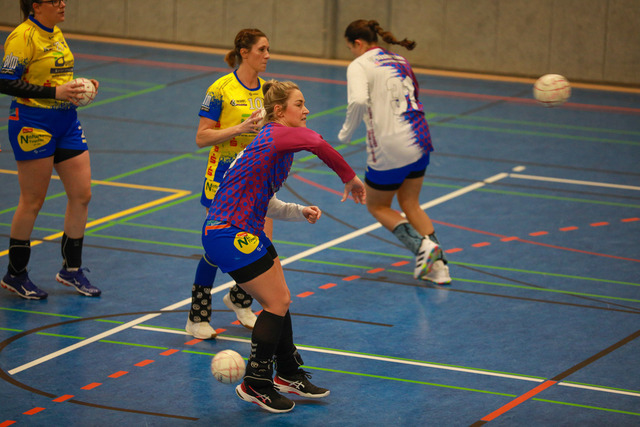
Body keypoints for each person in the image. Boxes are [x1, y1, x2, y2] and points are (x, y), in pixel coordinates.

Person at [201, 80, 365, 413]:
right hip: (227, 233)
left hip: (244, 230)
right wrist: (349, 177)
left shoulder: (272, 146)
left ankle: (288, 373)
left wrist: (298, 211)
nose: (306, 110)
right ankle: (256, 383)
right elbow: (317, 142)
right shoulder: (275, 135)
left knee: (281, 300)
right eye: (299, 104)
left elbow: (264, 200)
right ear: (279, 111)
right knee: (276, 302)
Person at [0, 0, 101, 299]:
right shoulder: (23, 36)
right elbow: (6, 82)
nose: (63, 4)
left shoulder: (55, 32)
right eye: (55, 0)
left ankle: (71, 270)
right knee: (32, 200)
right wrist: (55, 92)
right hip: (33, 123)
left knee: (82, 195)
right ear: (36, 5)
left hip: (66, 121)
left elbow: (54, 76)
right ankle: (16, 273)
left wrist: (81, 88)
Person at [337, 19, 451, 285]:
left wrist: (345, 133)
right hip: (420, 139)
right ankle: (439, 268)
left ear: (358, 43)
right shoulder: (400, 60)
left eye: (350, 48)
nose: (351, 53)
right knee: (411, 203)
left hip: (390, 146)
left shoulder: (359, 65)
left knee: (377, 205)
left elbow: (358, 100)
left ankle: (422, 248)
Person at [187, 28, 271, 338]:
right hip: (223, 178)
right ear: (244, 53)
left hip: (255, 178)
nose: (267, 55)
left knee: (260, 243)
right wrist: (240, 128)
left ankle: (240, 300)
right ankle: (197, 317)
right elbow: (201, 137)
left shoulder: (268, 90)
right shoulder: (220, 89)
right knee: (215, 249)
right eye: (261, 49)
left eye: (268, 49)